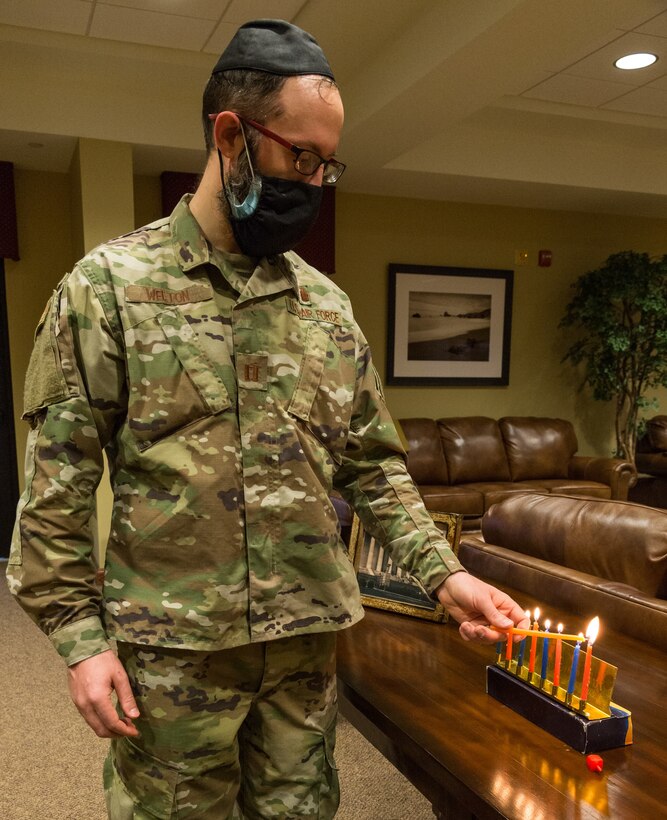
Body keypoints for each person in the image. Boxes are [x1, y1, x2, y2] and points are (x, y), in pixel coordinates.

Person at [7, 19, 528, 820]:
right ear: (230, 135)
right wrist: (82, 641)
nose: (316, 183)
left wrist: (444, 574)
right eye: (301, 158)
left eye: (328, 165)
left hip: (302, 651)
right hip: (172, 658)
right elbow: (56, 495)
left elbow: (371, 466)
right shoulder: (106, 288)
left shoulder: (325, 306)